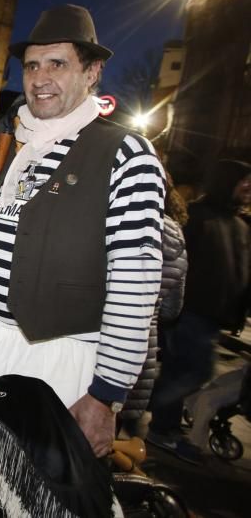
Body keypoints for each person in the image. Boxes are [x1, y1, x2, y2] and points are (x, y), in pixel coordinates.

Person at [0, 4, 165, 466]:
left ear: (92, 73)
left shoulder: (126, 154)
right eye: (32, 65)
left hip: (58, 363)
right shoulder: (16, 147)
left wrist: (105, 396)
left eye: (57, 64)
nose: (40, 77)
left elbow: (137, 285)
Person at [147, 160, 251, 461]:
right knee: (191, 371)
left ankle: (159, 417)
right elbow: (176, 265)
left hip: (211, 319)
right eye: (242, 181)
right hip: (189, 314)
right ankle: (156, 421)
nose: (248, 188)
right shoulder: (199, 218)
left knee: (187, 372)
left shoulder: (239, 224)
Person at [119, 174, 188, 438]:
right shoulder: (178, 243)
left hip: (98, 347)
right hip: (140, 352)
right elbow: (172, 310)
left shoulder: (118, 223)